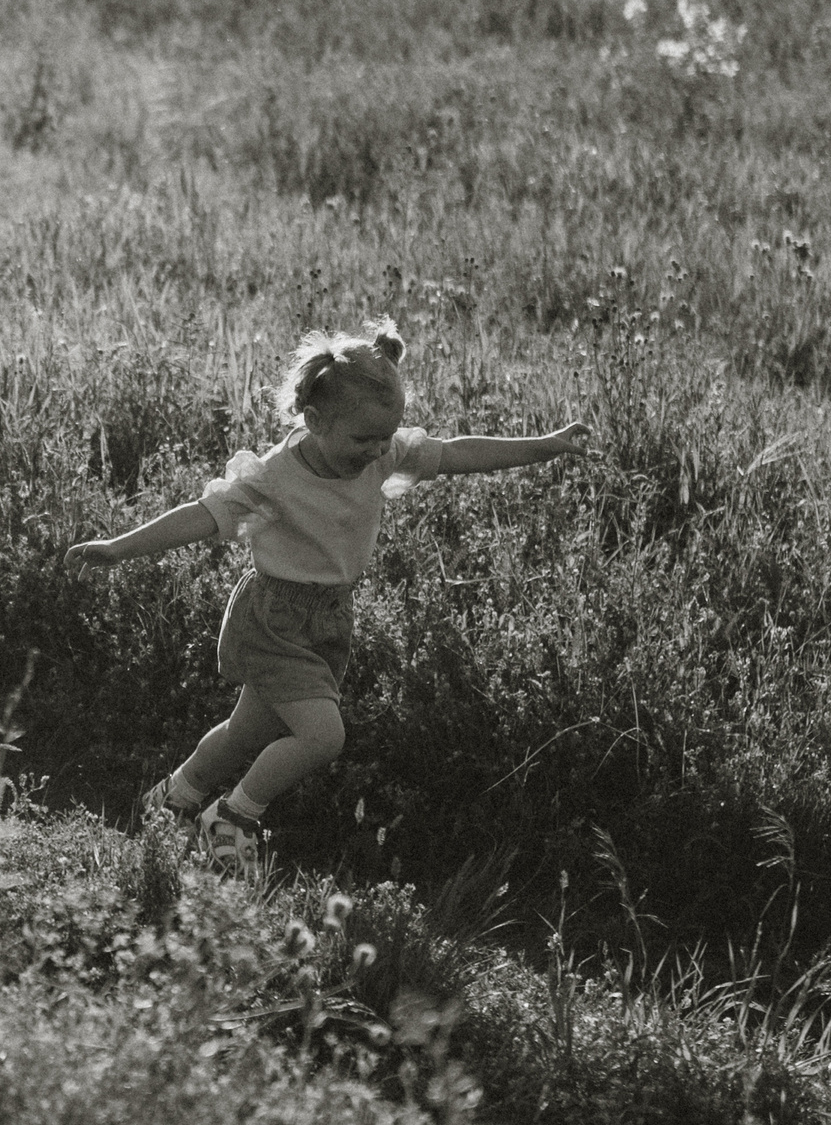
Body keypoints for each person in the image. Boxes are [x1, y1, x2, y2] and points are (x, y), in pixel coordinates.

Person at [66, 319, 588, 869]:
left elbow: (458, 454)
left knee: (247, 732)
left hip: (329, 618)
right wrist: (118, 548)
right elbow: (201, 517)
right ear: (315, 421)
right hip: (275, 619)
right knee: (322, 737)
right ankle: (234, 817)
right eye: (364, 439)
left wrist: (546, 446)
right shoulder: (273, 478)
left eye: (387, 435)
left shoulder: (381, 453)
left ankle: (173, 798)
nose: (378, 450)